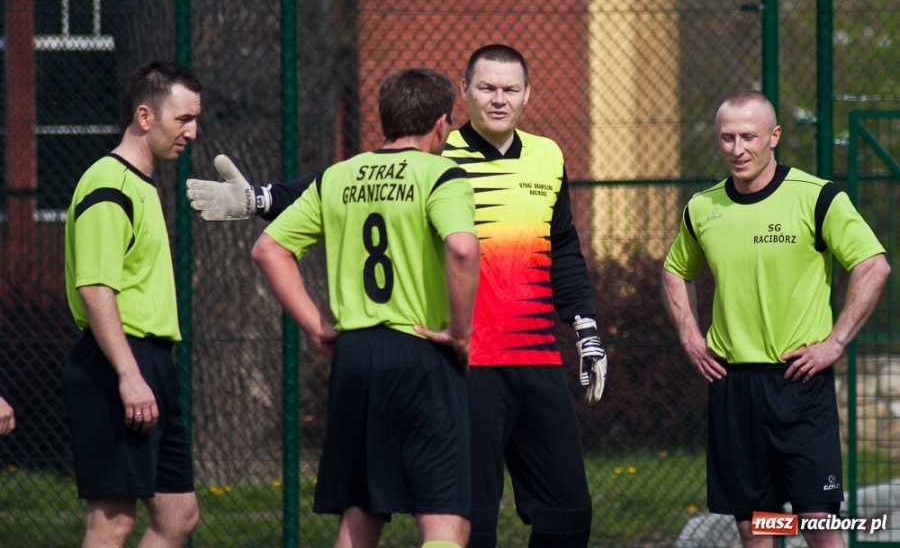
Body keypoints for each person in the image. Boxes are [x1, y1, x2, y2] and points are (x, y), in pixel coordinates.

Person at [188, 44, 608, 548]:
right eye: (487, 88)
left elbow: (563, 249)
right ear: (463, 95)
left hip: (535, 357)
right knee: (470, 523)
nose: (499, 99)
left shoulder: (549, 156)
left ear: (527, 95)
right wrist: (260, 198)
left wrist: (585, 330)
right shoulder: (438, 157)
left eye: (510, 89)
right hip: (463, 361)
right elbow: (330, 186)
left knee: (569, 515)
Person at [251, 67, 480, 548]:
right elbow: (462, 249)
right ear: (441, 124)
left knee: (360, 517)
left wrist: (316, 326)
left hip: (356, 358)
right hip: (421, 351)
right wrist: (460, 335)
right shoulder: (442, 174)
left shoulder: (338, 176)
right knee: (446, 519)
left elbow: (268, 249)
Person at [661, 89, 890, 548]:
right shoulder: (703, 208)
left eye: (749, 136)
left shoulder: (817, 197)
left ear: (774, 137)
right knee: (755, 525)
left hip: (798, 382)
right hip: (733, 385)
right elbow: (673, 270)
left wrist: (835, 342)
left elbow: (873, 265)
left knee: (817, 522)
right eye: (728, 138)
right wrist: (689, 334)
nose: (737, 149)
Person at [62, 60, 203, 548]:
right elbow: (95, 288)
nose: (193, 131)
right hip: (118, 362)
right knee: (113, 520)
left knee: (178, 516)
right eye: (183, 119)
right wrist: (128, 375)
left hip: (151, 363)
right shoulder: (108, 183)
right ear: (145, 117)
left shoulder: (141, 184)